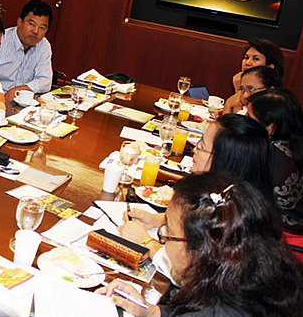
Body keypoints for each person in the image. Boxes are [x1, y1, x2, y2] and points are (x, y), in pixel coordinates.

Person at [98, 173, 303, 316]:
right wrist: (153, 313)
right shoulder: (256, 279)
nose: (164, 240)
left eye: (168, 233)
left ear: (202, 251)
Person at [120, 114, 274, 259]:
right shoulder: (239, 193)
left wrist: (146, 242)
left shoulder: (233, 216)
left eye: (202, 146)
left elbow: (189, 273)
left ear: (224, 159)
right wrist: (159, 220)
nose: (194, 149)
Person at [248, 89, 303, 257]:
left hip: (276, 245)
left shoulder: (267, 154)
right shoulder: (295, 147)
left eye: (250, 118)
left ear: (270, 127)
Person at [0, 0, 53, 101]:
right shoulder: (0, 40)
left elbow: (45, 81)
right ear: (20, 22)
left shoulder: (43, 45)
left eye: (42, 28)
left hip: (25, 102)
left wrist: (19, 90)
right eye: (32, 24)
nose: (36, 31)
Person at [224, 38, 284, 114]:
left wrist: (237, 95)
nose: (248, 62)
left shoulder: (271, 98)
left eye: (256, 59)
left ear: (269, 67)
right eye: (246, 58)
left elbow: (240, 122)